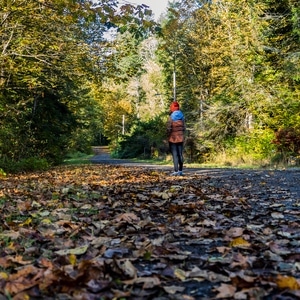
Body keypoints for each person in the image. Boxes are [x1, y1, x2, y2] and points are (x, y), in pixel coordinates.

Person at [167, 101, 185, 176]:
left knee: (175, 154)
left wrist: (168, 134)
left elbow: (168, 128)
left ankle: (175, 171)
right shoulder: (182, 116)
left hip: (173, 138)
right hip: (180, 137)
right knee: (180, 154)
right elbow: (184, 127)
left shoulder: (171, 117)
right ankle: (180, 170)